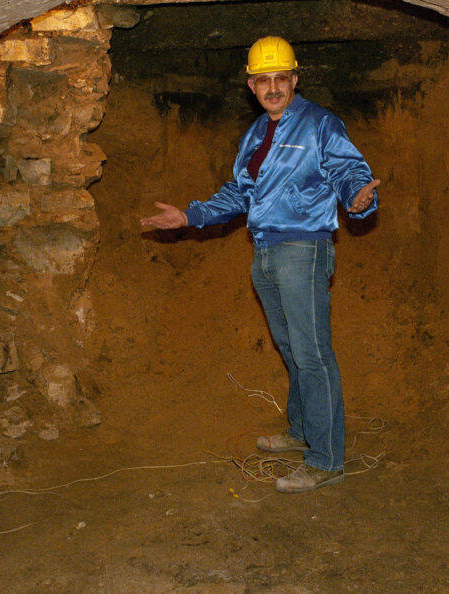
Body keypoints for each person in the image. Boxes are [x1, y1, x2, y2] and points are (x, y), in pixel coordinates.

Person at [140, 36, 380, 494]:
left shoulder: (320, 125)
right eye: (263, 80)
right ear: (251, 85)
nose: (273, 87)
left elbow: (350, 173)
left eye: (280, 79)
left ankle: (326, 459)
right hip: (266, 252)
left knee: (313, 356)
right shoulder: (254, 134)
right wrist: (189, 216)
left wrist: (359, 198)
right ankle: (301, 431)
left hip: (304, 250)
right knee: (291, 349)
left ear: (294, 79)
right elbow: (238, 194)